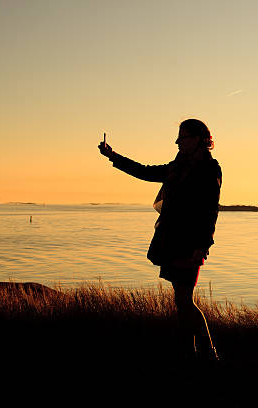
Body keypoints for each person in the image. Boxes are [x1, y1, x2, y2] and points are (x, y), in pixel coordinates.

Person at [98, 119, 222, 362]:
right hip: (172, 239)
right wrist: (113, 156)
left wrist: (203, 246)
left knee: (185, 300)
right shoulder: (178, 165)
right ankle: (191, 352)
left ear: (197, 139)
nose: (177, 142)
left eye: (182, 137)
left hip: (190, 243)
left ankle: (209, 354)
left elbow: (210, 210)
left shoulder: (209, 168)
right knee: (181, 300)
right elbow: (145, 171)